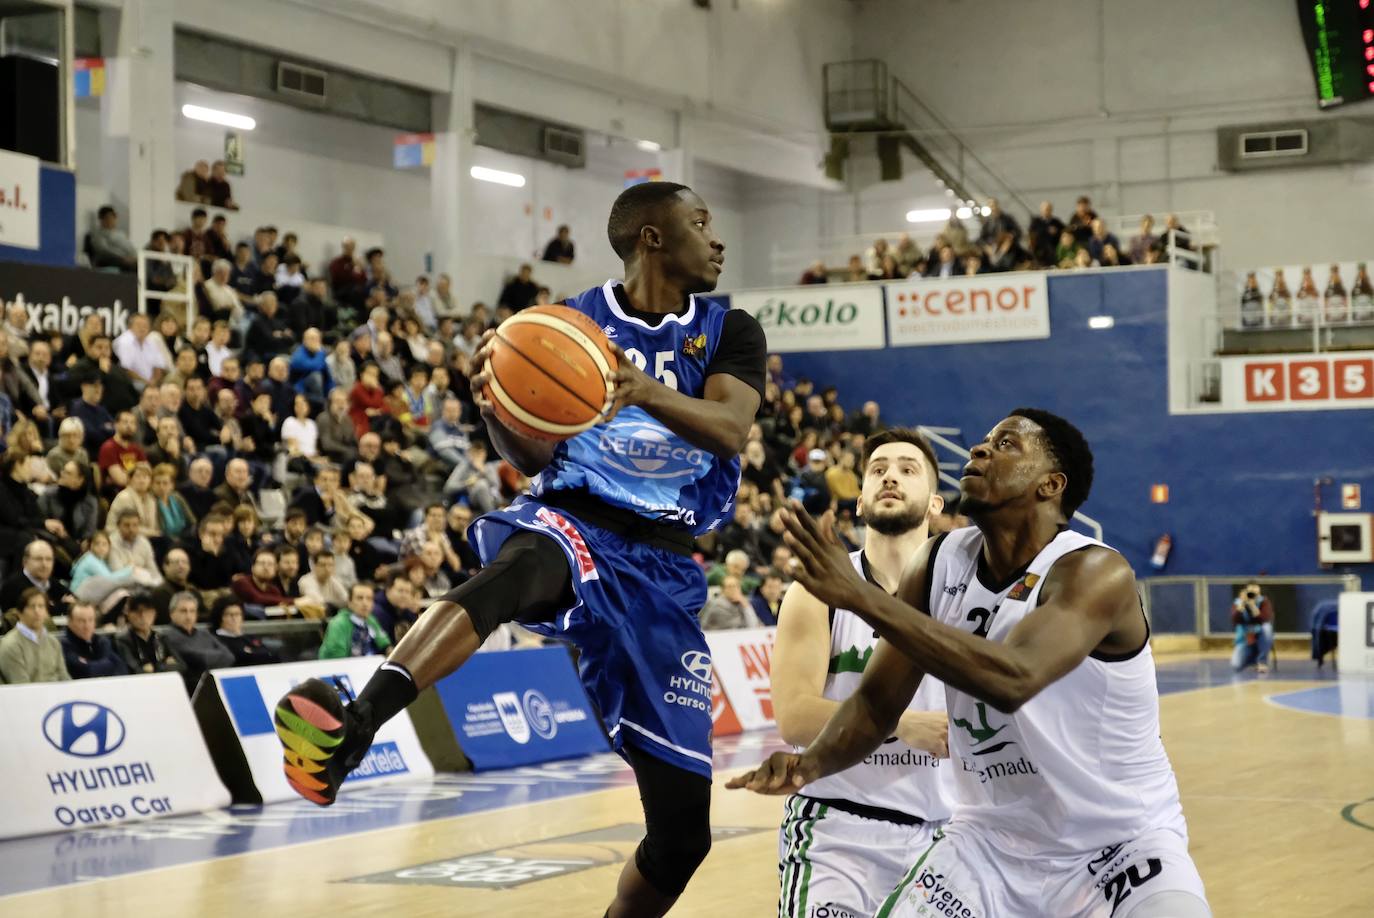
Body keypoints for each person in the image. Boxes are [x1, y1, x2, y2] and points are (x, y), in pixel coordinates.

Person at [275, 181, 765, 917]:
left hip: (665, 561)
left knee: (682, 840)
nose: (717, 239)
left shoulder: (730, 330)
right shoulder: (566, 323)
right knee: (516, 570)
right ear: (652, 237)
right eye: (701, 222)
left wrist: (640, 390)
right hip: (576, 514)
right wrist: (495, 405)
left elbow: (730, 429)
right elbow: (532, 458)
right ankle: (355, 728)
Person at [729, 409, 1210, 918]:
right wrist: (812, 764)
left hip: (1118, 845)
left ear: (1051, 485)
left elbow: (1013, 676)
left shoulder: (1095, 570)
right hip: (987, 847)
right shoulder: (938, 561)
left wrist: (863, 600)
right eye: (982, 441)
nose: (980, 450)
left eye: (1005, 445)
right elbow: (875, 704)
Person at [766, 429, 953, 917]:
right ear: (859, 504)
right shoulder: (815, 592)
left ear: (934, 504)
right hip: (837, 830)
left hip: (948, 836)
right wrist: (902, 724)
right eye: (877, 470)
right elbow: (794, 716)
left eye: (908, 470)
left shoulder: (964, 595)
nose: (890, 475)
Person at [163, 590, 235, 692]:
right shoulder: (168, 637)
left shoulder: (204, 633)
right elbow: (199, 659)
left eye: (192, 611)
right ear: (172, 613)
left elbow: (229, 656)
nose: (188, 616)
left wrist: (206, 657)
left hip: (217, 684)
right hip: (192, 688)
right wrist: (216, 655)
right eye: (183, 611)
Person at [0, 589, 71, 683]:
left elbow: (64, 678)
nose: (37, 611)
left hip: (57, 695)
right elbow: (20, 686)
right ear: (20, 613)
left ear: (46, 613)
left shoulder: (53, 642)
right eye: (31, 607)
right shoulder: (11, 644)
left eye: (41, 606)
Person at [114, 592, 185, 675]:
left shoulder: (161, 637)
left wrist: (156, 667)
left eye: (147, 611)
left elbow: (182, 666)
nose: (143, 616)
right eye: (137, 611)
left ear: (154, 613)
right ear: (128, 614)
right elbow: (135, 670)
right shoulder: (122, 640)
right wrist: (166, 664)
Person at [318, 581, 390, 659]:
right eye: (360, 598)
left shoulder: (371, 620)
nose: (365, 603)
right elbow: (337, 658)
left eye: (369, 599)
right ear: (349, 602)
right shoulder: (338, 624)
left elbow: (385, 644)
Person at [60, 600, 131, 678]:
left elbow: (122, 669)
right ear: (70, 622)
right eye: (81, 621)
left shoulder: (102, 641)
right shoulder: (63, 646)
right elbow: (85, 671)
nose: (87, 626)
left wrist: (90, 664)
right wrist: (108, 664)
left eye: (90, 620)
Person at [211, 597, 278, 666]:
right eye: (229, 615)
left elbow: (269, 654)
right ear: (220, 617)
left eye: (237, 614)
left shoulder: (249, 638)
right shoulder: (215, 639)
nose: (234, 619)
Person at [1231, 582, 1273, 674]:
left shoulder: (1264, 601)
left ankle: (1262, 661)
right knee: (1236, 665)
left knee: (1267, 628)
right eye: (1250, 591)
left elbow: (1265, 619)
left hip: (1260, 636)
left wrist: (1253, 606)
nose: (1253, 594)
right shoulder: (1238, 602)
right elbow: (1235, 620)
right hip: (1244, 637)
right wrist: (1241, 605)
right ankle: (1251, 658)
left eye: (1255, 592)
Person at [88, 205, 139, 271]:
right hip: (112, 259)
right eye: (107, 218)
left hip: (129, 258)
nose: (110, 220)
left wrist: (136, 257)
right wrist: (123, 257)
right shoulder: (98, 234)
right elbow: (104, 250)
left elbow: (130, 248)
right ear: (101, 220)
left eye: (112, 217)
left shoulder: (121, 234)